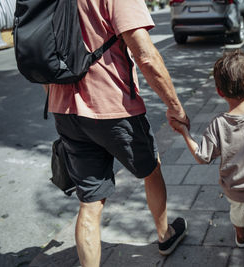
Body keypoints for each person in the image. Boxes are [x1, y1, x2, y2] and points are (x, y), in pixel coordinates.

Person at [46, 0, 189, 266]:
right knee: (150, 168)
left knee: (90, 202)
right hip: (114, 105)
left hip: (64, 108)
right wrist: (175, 108)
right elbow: (145, 55)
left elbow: (39, 53)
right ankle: (164, 235)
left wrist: (58, 104)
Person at [170, 50, 244, 267]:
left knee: (238, 217)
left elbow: (202, 157)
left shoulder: (217, 124)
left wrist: (185, 133)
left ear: (219, 91)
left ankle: (241, 237)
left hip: (234, 191)